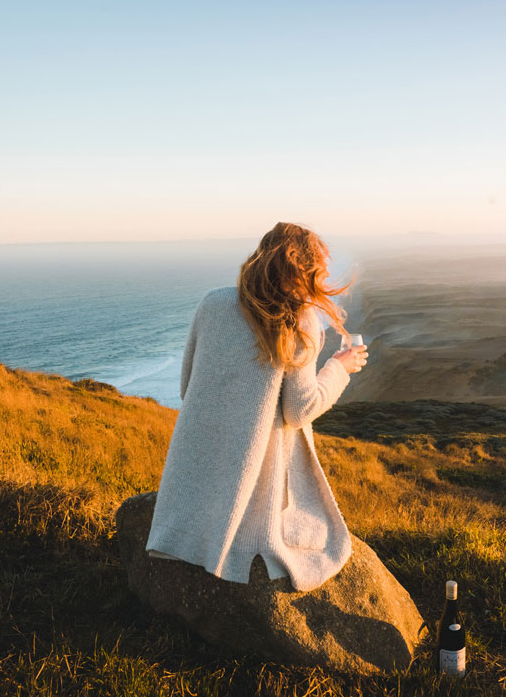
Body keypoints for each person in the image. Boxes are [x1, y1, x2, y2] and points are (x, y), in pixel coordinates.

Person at [144, 222, 369, 592]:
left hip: (198, 466)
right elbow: (300, 410)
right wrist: (339, 368)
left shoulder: (212, 303)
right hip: (254, 478)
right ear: (304, 271)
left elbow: (187, 387)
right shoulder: (301, 321)